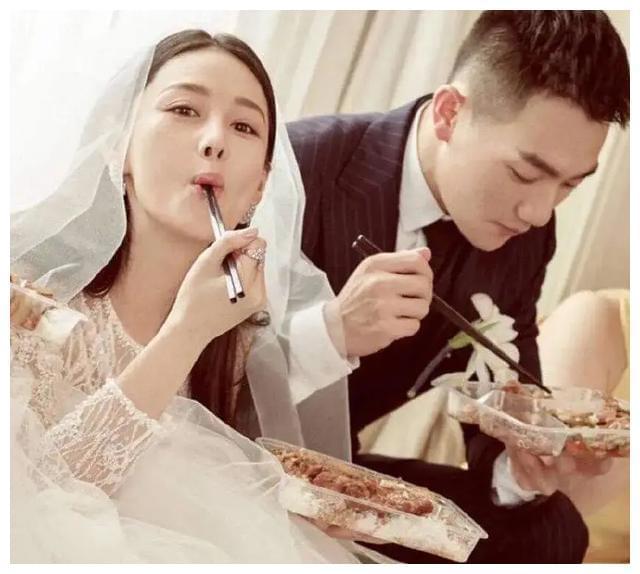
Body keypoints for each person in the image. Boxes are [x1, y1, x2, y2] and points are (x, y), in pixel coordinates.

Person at [10, 28, 366, 563]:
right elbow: (38, 503)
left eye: (244, 126)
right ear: (120, 146)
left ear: (261, 185)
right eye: (183, 110)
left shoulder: (240, 336)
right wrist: (186, 332)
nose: (214, 140)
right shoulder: (26, 295)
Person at [287, 10, 630, 563]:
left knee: (555, 529)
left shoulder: (528, 237)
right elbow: (199, 368)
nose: (539, 212)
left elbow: (509, 394)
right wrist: (330, 332)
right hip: (237, 452)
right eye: (524, 173)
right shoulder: (301, 165)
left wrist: (523, 467)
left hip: (342, 476)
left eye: (569, 184)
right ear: (450, 113)